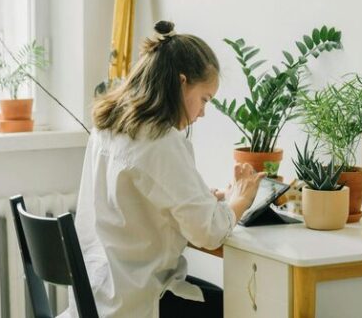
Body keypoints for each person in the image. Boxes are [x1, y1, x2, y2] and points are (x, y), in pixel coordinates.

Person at [69, 21, 265, 318]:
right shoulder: (160, 141)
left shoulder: (108, 126)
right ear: (181, 83)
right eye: (204, 99)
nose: (202, 112)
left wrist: (205, 200)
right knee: (241, 307)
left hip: (99, 293)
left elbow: (140, 200)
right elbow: (208, 233)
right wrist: (240, 200)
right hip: (137, 301)